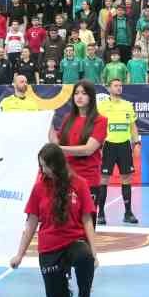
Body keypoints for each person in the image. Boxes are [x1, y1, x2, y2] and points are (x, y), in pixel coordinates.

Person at [10, 142, 100, 297]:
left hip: (74, 241)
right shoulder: (39, 188)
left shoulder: (80, 184)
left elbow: (87, 220)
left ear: (56, 165)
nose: (42, 171)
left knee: (84, 257)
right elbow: (31, 223)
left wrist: (94, 253)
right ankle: (63, 285)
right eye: (41, 166)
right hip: (49, 247)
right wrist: (19, 255)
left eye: (45, 166)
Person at [51, 81, 107, 223]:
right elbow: (56, 143)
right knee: (66, 223)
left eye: (84, 93)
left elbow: (88, 149)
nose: (79, 97)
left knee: (86, 224)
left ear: (91, 97)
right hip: (67, 180)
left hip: (88, 180)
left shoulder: (100, 121)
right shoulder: (67, 119)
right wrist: (48, 124)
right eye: (76, 93)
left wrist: (60, 150)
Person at [97, 77, 139, 225]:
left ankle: (128, 213)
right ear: (109, 88)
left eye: (120, 85)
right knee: (103, 179)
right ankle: (100, 213)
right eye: (115, 85)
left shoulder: (127, 105)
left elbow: (133, 126)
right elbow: (97, 127)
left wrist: (137, 142)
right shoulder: (101, 106)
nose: (119, 88)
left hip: (124, 145)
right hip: (108, 145)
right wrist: (98, 146)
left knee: (126, 178)